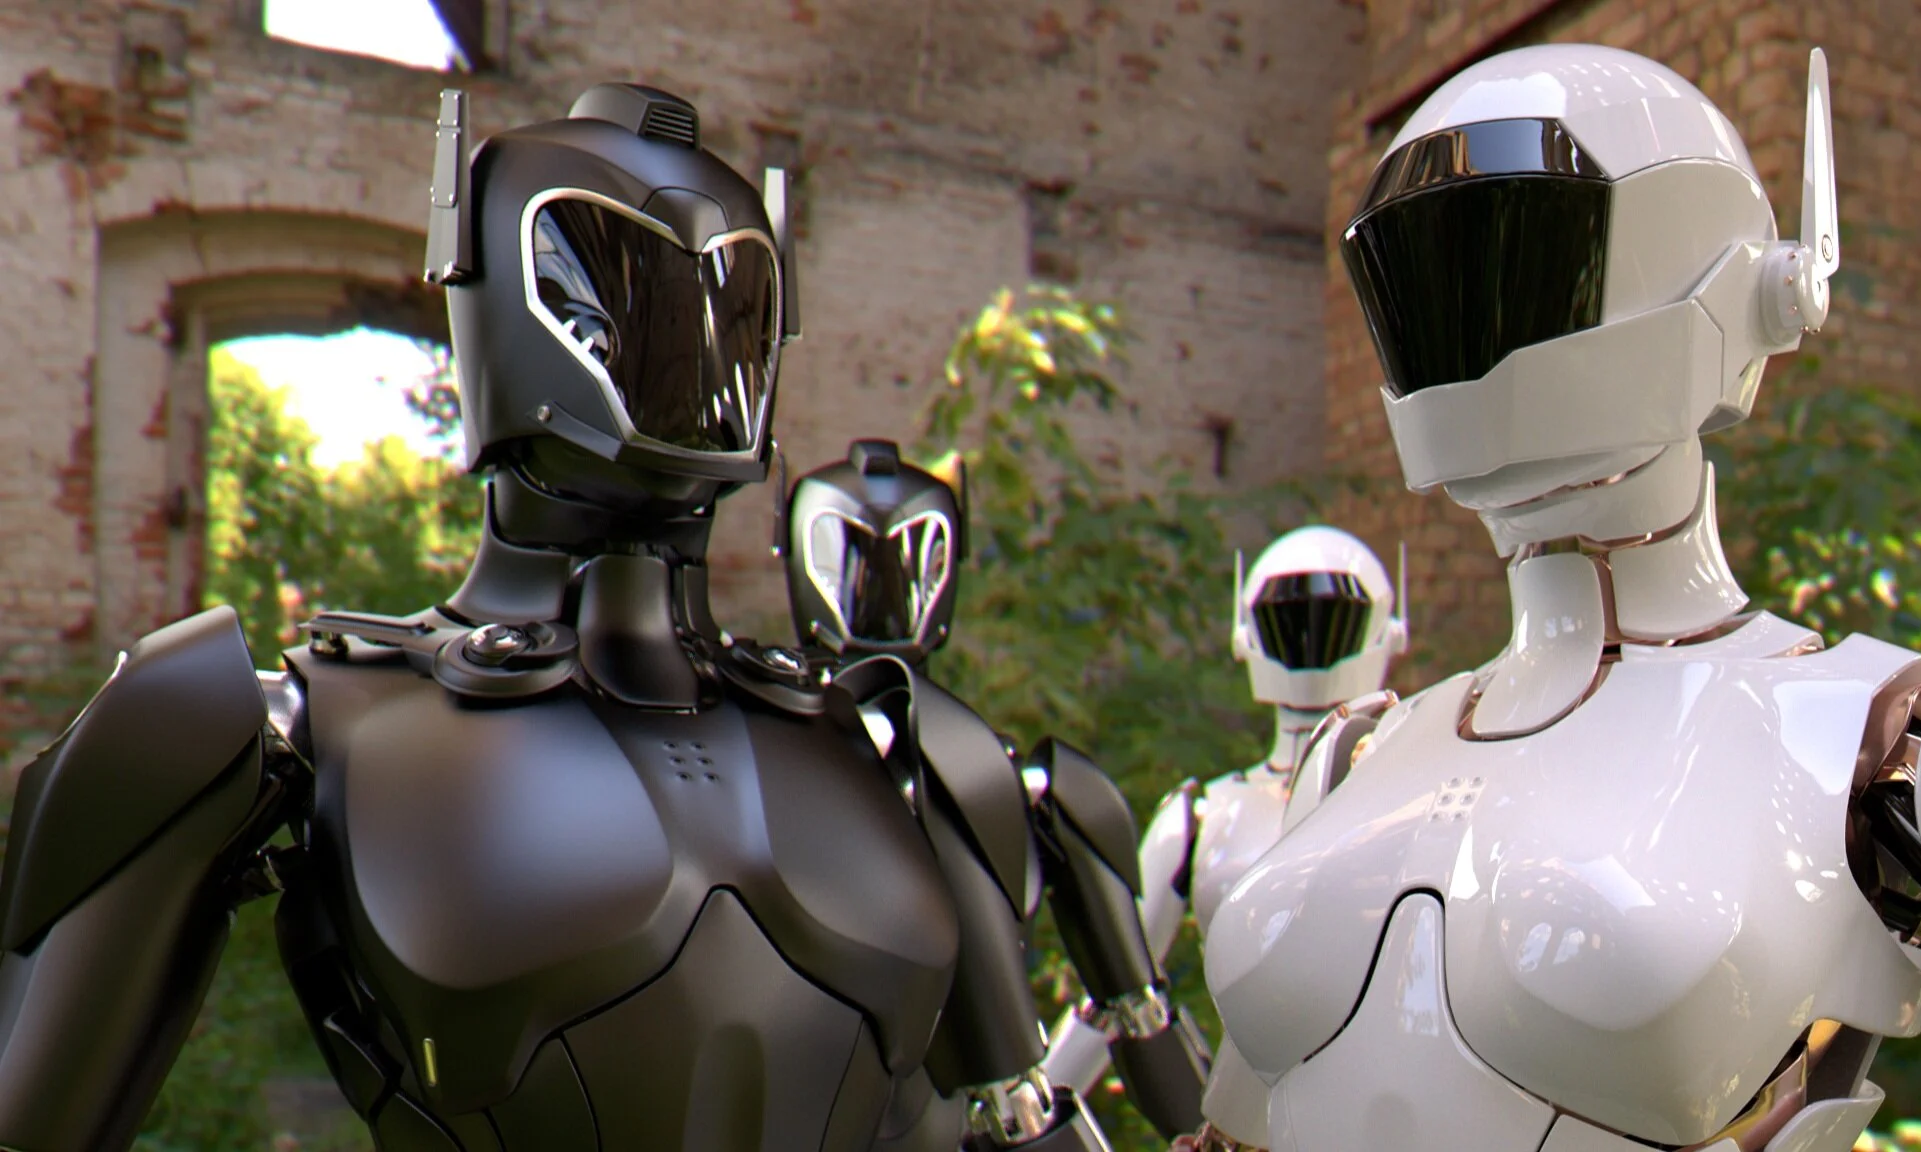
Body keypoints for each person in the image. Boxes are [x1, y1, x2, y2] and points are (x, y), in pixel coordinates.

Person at [0, 82, 1107, 1151]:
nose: (683, 343)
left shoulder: (883, 741)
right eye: (623, 283)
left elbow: (1007, 1121)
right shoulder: (268, 723)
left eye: (720, 296)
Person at [1205, 44, 1921, 1152]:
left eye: (1520, 263)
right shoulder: (1354, 755)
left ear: (1749, 287)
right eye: (1437, 277)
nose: (1475, 325)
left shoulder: (1898, 745)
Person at [779, 438, 1210, 1145]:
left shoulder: (984, 771)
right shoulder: (779, 756)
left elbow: (1141, 1016)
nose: (880, 581)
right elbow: (1142, 1019)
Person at [1038, 525, 1408, 1152]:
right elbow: (1117, 990)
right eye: (1293, 618)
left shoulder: (1413, 798)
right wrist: (1024, 1109)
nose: (1311, 636)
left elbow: (1115, 997)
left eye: (1330, 616)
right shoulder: (1205, 816)